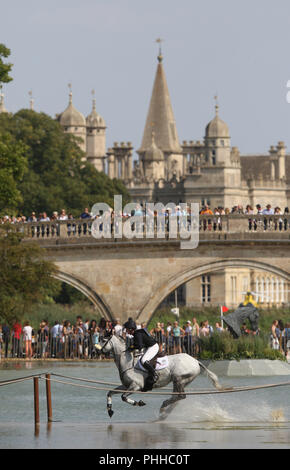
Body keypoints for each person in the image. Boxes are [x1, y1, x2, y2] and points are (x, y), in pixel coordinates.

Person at [123, 317, 159, 391]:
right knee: (139, 360)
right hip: (148, 347)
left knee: (143, 360)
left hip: (153, 347)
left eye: (127, 329)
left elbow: (139, 346)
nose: (126, 331)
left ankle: (154, 374)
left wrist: (131, 348)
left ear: (130, 329)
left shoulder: (137, 334)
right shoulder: (137, 333)